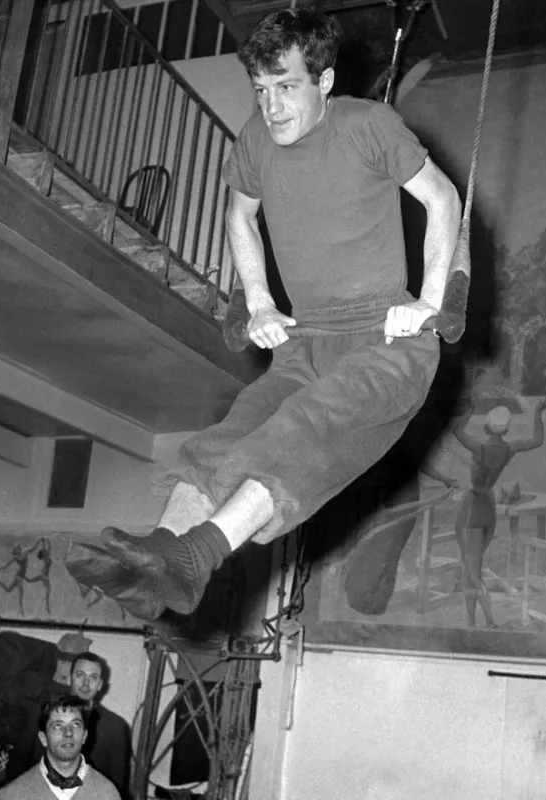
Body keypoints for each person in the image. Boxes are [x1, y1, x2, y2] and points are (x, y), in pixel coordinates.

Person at [64, 8, 462, 622]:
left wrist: (429, 301)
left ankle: (196, 559)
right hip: (304, 345)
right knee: (227, 436)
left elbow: (442, 197)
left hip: (387, 341)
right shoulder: (254, 139)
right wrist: (260, 301)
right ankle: (159, 561)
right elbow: (238, 216)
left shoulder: (368, 124)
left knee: (299, 430)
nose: (271, 106)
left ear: (324, 82)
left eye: (286, 88)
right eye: (261, 90)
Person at [452, 398, 546, 627]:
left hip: (473, 507)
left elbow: (455, 430)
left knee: (473, 572)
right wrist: (537, 413)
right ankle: (470, 621)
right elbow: (538, 440)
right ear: (505, 428)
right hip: (489, 506)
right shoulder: (509, 448)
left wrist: (470, 407)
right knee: (471, 569)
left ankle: (489, 619)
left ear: (486, 427)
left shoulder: (479, 447)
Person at [0, 693, 120, 800]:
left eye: (75, 724)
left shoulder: (107, 794)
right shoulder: (10, 796)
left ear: (85, 736)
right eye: (58, 726)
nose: (68, 732)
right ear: (43, 738)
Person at [65, 652, 132, 799]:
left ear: (100, 685)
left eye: (93, 678)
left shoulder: (115, 727)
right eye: (80, 675)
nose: (85, 683)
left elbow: (117, 787)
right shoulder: (41, 715)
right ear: (69, 679)